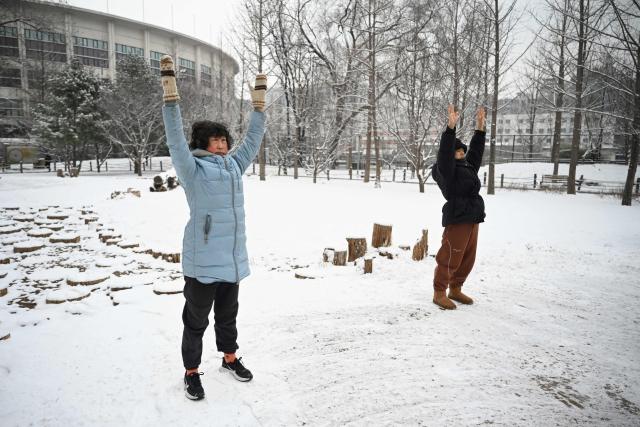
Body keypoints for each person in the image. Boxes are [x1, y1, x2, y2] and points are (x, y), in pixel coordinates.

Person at [160, 55, 266, 400]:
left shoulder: (234, 165)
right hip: (203, 262)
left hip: (232, 260)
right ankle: (192, 371)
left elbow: (252, 140)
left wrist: (259, 109)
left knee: (228, 317)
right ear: (203, 143)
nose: (222, 143)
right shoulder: (192, 169)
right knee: (195, 321)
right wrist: (171, 97)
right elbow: (175, 139)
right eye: (215, 139)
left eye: (223, 139)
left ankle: (229, 356)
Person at [431, 105, 486, 310]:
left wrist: (480, 128)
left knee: (467, 257)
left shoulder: (468, 165)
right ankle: (439, 292)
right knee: (451, 254)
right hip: (458, 214)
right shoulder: (447, 170)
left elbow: (477, 152)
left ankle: (455, 288)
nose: (462, 153)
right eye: (458, 151)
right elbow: (445, 153)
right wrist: (450, 128)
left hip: (473, 216)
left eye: (463, 150)